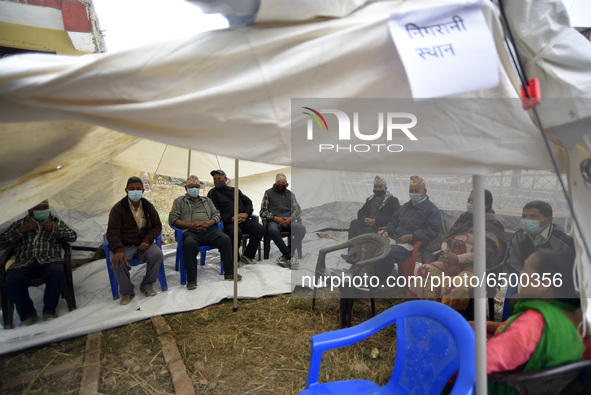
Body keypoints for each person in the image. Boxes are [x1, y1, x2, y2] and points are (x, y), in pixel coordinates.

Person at [484, 249, 586, 395]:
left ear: (543, 283)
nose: (521, 273)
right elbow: (529, 341)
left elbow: (482, 361)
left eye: (525, 269)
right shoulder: (565, 319)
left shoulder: (533, 322)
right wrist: (488, 325)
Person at [409, 190, 506, 313]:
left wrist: (458, 259)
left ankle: (450, 319)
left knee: (455, 286)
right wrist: (446, 253)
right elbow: (447, 238)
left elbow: (484, 253)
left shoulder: (492, 225)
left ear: (486, 205)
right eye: (468, 200)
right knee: (424, 271)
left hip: (475, 268)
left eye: (474, 201)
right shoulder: (463, 219)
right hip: (450, 262)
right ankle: (425, 312)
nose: (469, 204)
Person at [0, 200, 77, 326]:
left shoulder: (54, 221)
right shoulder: (20, 223)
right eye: (38, 208)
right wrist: (21, 230)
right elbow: (1, 242)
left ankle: (49, 310)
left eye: (45, 207)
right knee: (12, 280)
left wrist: (54, 229)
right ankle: (28, 314)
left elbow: (72, 236)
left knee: (56, 271)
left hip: (49, 259)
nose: (42, 211)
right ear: (30, 210)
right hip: (24, 263)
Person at [501, 200, 575, 320]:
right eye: (524, 216)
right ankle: (506, 324)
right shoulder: (519, 236)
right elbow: (512, 262)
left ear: (548, 220)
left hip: (553, 282)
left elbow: (567, 270)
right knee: (512, 290)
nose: (527, 220)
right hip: (525, 277)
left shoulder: (563, 241)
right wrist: (526, 278)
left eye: (533, 217)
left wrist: (542, 283)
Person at [169, 175, 239, 290]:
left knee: (225, 239)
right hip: (190, 231)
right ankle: (191, 280)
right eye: (191, 187)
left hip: (209, 230)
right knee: (189, 244)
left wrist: (209, 223)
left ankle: (229, 273)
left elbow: (216, 214)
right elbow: (173, 219)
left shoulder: (207, 200)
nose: (194, 189)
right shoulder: (179, 201)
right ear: (186, 188)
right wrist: (191, 225)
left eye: (197, 187)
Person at [106, 176, 163, 305]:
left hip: (144, 244)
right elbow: (112, 232)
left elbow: (157, 226)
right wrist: (119, 250)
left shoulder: (148, 206)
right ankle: (127, 292)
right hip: (125, 245)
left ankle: (147, 285)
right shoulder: (118, 209)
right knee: (117, 261)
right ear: (126, 190)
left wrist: (147, 241)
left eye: (138, 189)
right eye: (132, 189)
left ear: (143, 190)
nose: (135, 191)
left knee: (157, 254)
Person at [374, 175, 441, 281]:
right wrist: (387, 231)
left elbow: (432, 230)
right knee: (373, 245)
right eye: (411, 190)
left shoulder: (432, 210)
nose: (413, 193)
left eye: (416, 191)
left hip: (411, 245)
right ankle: (366, 277)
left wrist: (411, 236)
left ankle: (374, 283)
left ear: (425, 191)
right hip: (395, 239)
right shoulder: (406, 206)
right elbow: (393, 221)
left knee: (387, 252)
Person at [207, 169, 264, 266]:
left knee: (259, 228)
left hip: (243, 220)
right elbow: (214, 212)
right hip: (228, 222)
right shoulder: (212, 193)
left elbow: (248, 202)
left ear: (225, 179)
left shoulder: (235, 190)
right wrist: (231, 218)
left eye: (219, 178)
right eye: (214, 179)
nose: (217, 180)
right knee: (236, 232)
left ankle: (248, 255)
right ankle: (234, 258)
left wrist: (246, 214)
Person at [341, 175, 400, 263]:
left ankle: (363, 256)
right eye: (375, 187)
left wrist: (376, 221)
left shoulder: (392, 200)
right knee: (354, 223)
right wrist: (365, 218)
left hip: (380, 226)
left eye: (380, 187)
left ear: (385, 188)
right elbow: (360, 212)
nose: (377, 189)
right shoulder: (370, 199)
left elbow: (394, 217)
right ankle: (353, 251)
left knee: (368, 230)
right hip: (368, 223)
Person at [260, 173, 306, 269]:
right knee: (272, 229)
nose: (280, 185)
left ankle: (285, 255)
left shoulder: (290, 195)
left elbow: (298, 210)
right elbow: (263, 211)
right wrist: (275, 218)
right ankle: (289, 255)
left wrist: (290, 218)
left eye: (283, 183)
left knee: (302, 228)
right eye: (278, 182)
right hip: (274, 221)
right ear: (275, 183)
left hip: (288, 220)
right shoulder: (268, 193)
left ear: (287, 185)